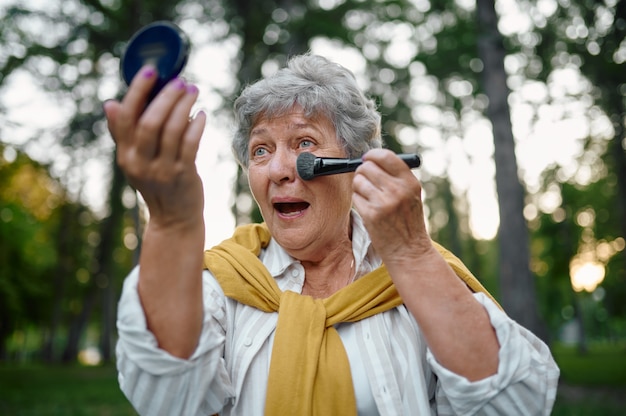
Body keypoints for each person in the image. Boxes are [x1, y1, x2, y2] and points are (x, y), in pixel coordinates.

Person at [104, 53, 560, 415]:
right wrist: (172, 222)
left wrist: (413, 253)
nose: (282, 169)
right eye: (261, 150)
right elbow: (165, 399)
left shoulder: (415, 276)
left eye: (304, 143)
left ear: (357, 162)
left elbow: (516, 404)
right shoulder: (223, 282)